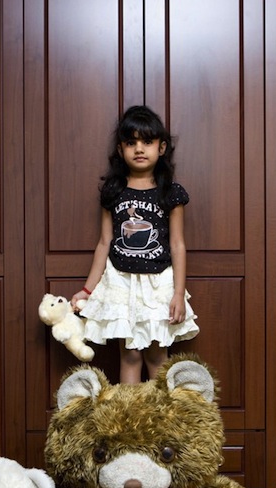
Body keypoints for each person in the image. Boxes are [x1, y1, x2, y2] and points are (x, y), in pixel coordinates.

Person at [71, 105, 199, 384]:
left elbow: (177, 244)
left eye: (147, 142)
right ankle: (130, 413)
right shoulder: (114, 191)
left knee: (156, 355)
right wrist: (87, 290)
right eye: (131, 143)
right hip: (121, 282)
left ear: (161, 148)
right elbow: (104, 243)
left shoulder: (170, 192)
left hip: (158, 283)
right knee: (129, 355)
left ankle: (158, 413)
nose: (139, 149)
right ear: (121, 149)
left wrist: (178, 293)